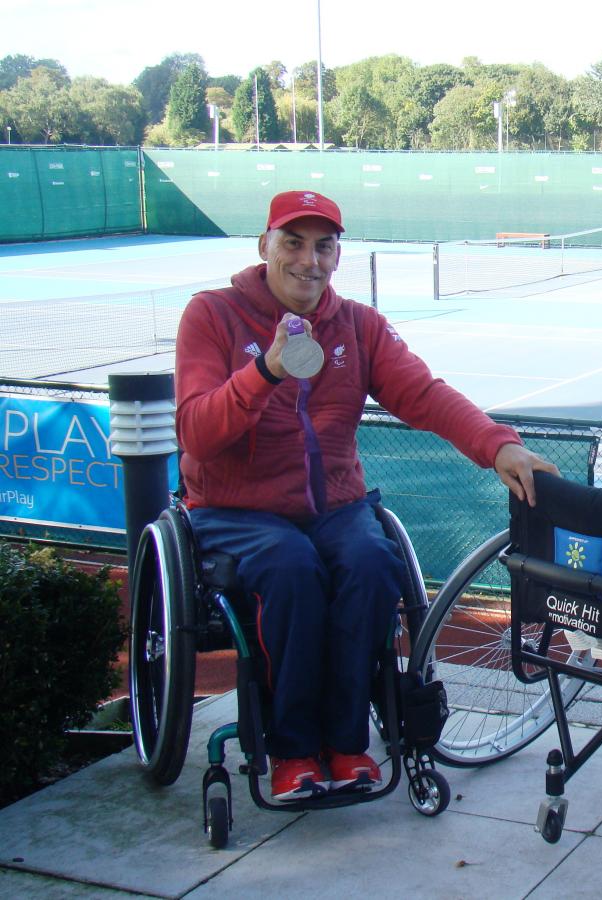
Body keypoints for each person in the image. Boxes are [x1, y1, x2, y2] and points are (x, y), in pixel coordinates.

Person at [175, 190, 557, 801]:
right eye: (293, 243)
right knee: (291, 568)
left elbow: (424, 394)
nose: (309, 260)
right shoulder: (212, 315)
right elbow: (195, 430)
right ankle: (295, 750)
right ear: (264, 246)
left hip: (335, 506)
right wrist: (266, 370)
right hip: (234, 509)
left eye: (323, 246)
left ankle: (347, 742)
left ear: (337, 254)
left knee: (374, 562)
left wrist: (497, 446)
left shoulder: (358, 325)